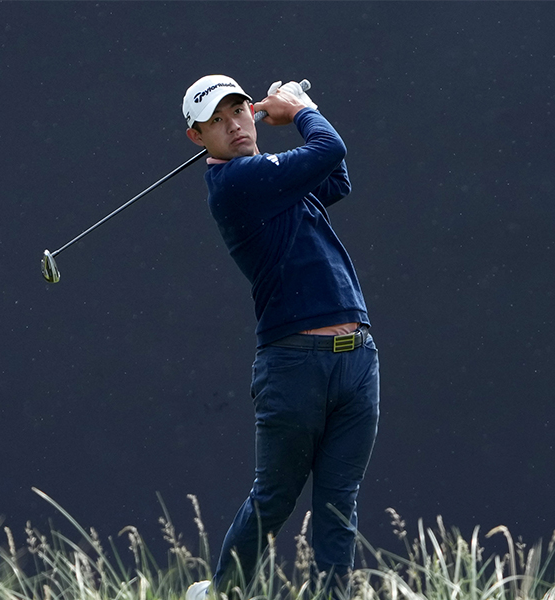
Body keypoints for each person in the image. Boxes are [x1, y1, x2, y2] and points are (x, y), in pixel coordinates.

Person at [179, 75, 379, 598]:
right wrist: (302, 109)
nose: (234, 126)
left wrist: (297, 115)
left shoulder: (270, 177)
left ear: (251, 111)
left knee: (340, 502)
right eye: (216, 122)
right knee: (275, 497)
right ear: (197, 138)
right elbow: (330, 145)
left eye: (238, 111)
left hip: (357, 358)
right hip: (294, 361)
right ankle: (222, 592)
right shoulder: (236, 183)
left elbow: (335, 178)